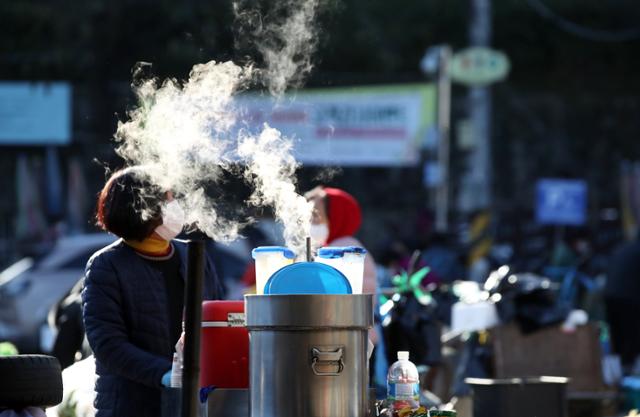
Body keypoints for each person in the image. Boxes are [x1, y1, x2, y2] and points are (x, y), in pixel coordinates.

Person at [82, 167, 222, 417]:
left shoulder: (194, 256)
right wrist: (166, 374)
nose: (174, 206)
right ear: (141, 208)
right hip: (129, 407)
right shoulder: (107, 265)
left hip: (192, 404)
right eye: (166, 200)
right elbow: (108, 344)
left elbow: (217, 319)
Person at [305, 186, 377, 295]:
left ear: (335, 216)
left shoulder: (340, 250)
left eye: (315, 214)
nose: (310, 220)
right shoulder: (341, 245)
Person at [605, 231, 640, 371]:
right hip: (629, 298)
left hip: (610, 296)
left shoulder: (623, 249)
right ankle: (627, 372)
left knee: (617, 335)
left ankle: (617, 372)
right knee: (632, 335)